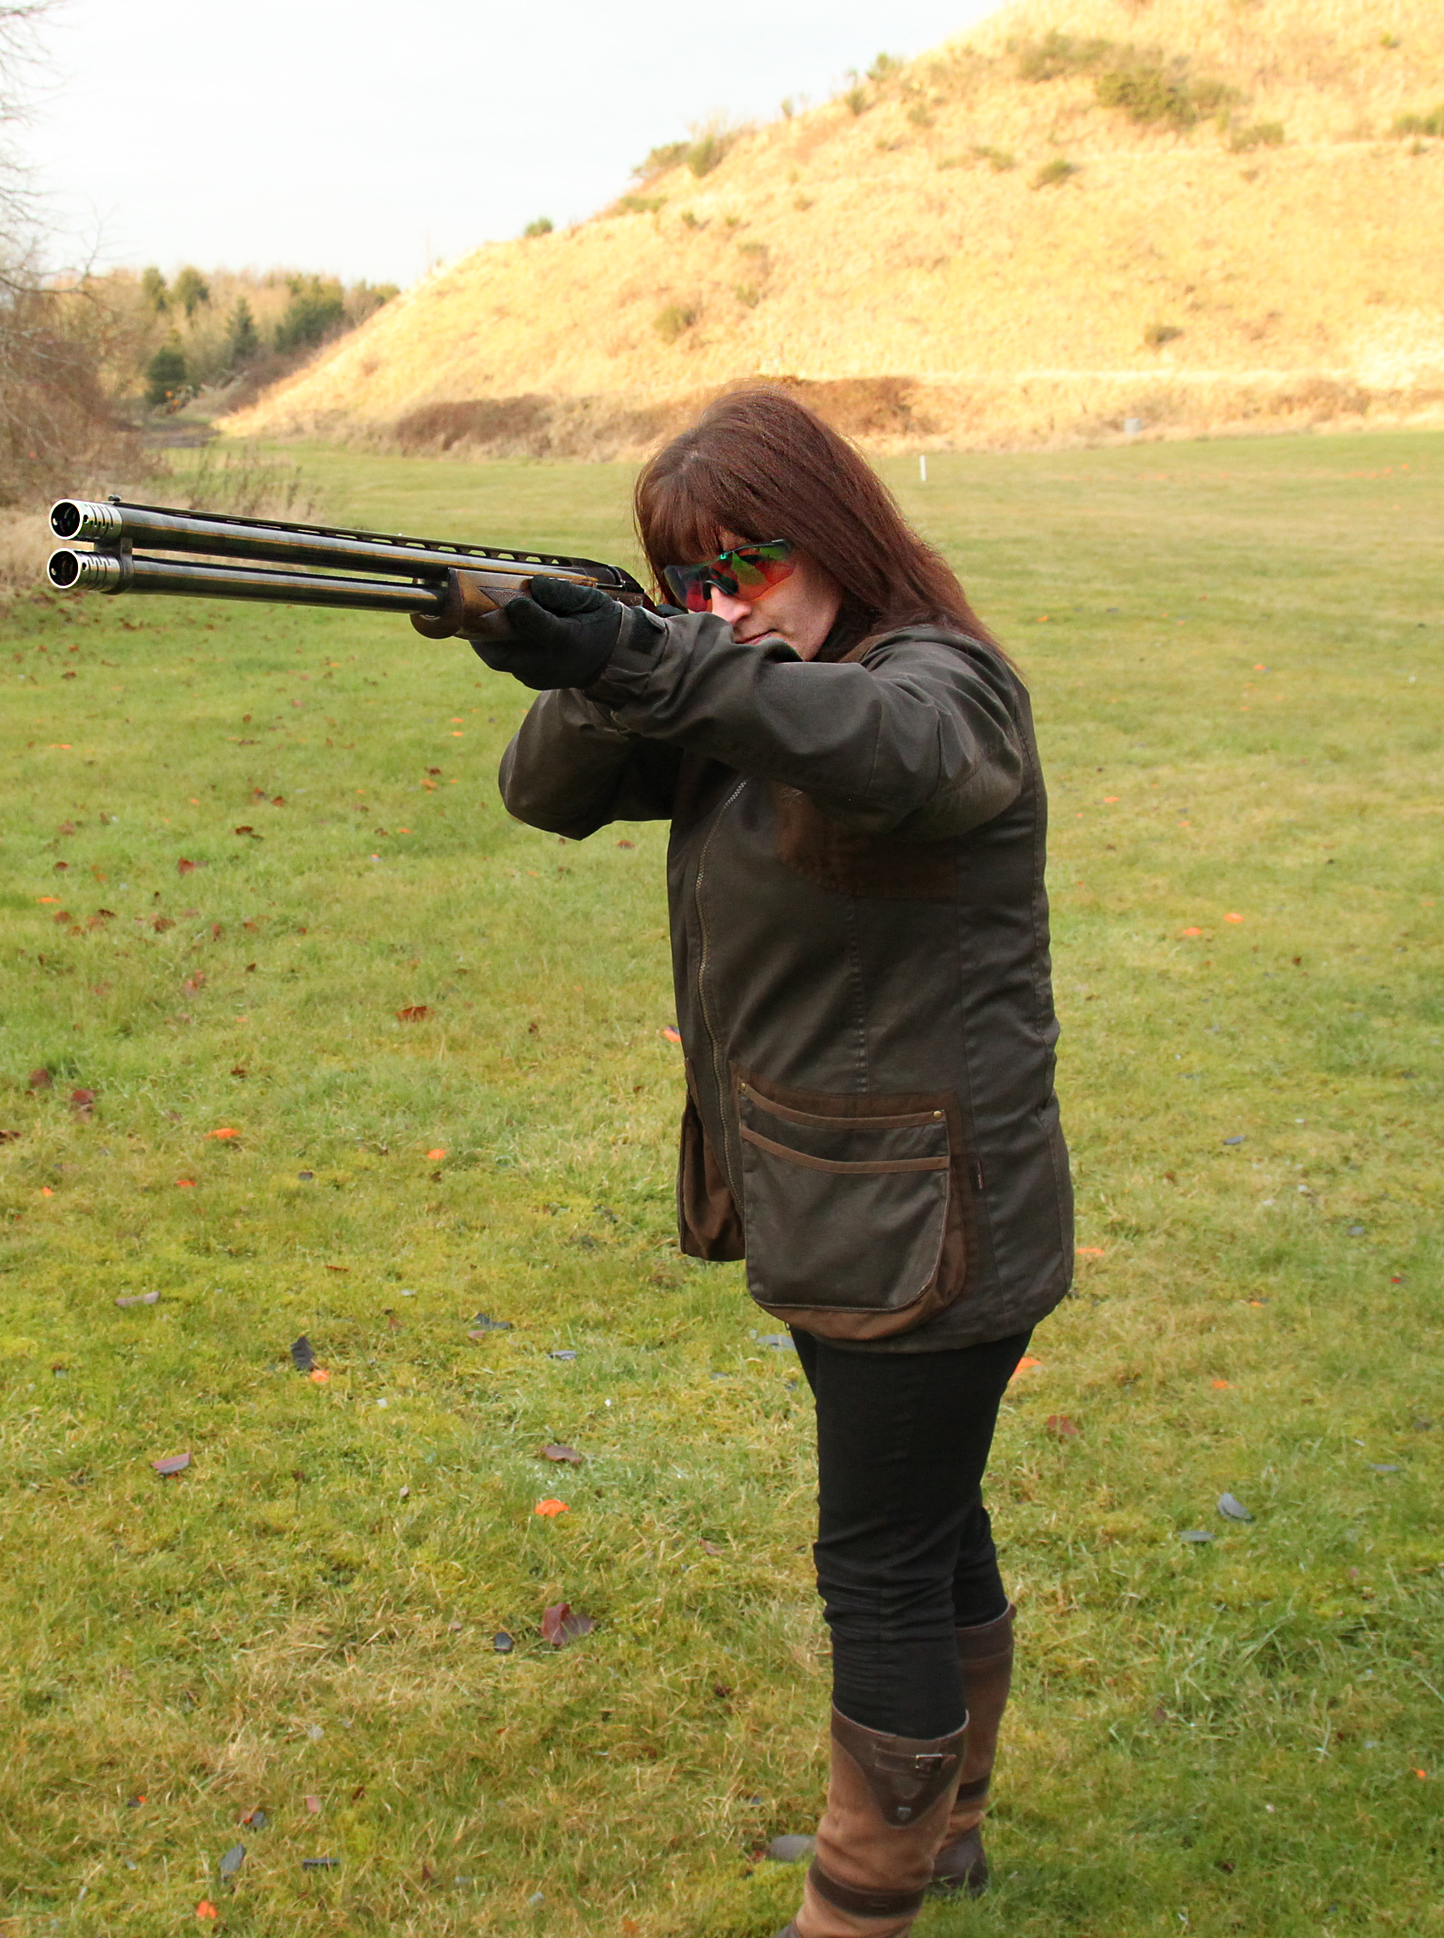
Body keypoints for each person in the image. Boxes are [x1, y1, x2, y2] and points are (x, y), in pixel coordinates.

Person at [472, 389, 1074, 1938]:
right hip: (857, 1209)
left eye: (750, 565)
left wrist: (654, 655)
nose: (723, 606)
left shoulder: (939, 687)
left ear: (841, 539)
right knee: (933, 1525)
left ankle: (860, 1901)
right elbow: (538, 794)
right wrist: (602, 656)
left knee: (876, 1566)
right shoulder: (730, 682)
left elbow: (887, 751)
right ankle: (950, 1835)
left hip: (927, 1229)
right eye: (689, 580)